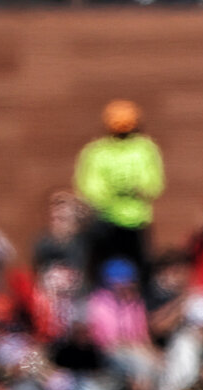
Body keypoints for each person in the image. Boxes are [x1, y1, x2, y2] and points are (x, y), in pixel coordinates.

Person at [74, 99, 164, 283]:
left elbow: (153, 184)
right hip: (105, 220)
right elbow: (88, 187)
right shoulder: (97, 151)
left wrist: (134, 187)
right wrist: (113, 193)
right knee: (101, 269)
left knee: (140, 270)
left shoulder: (144, 149)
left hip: (136, 220)